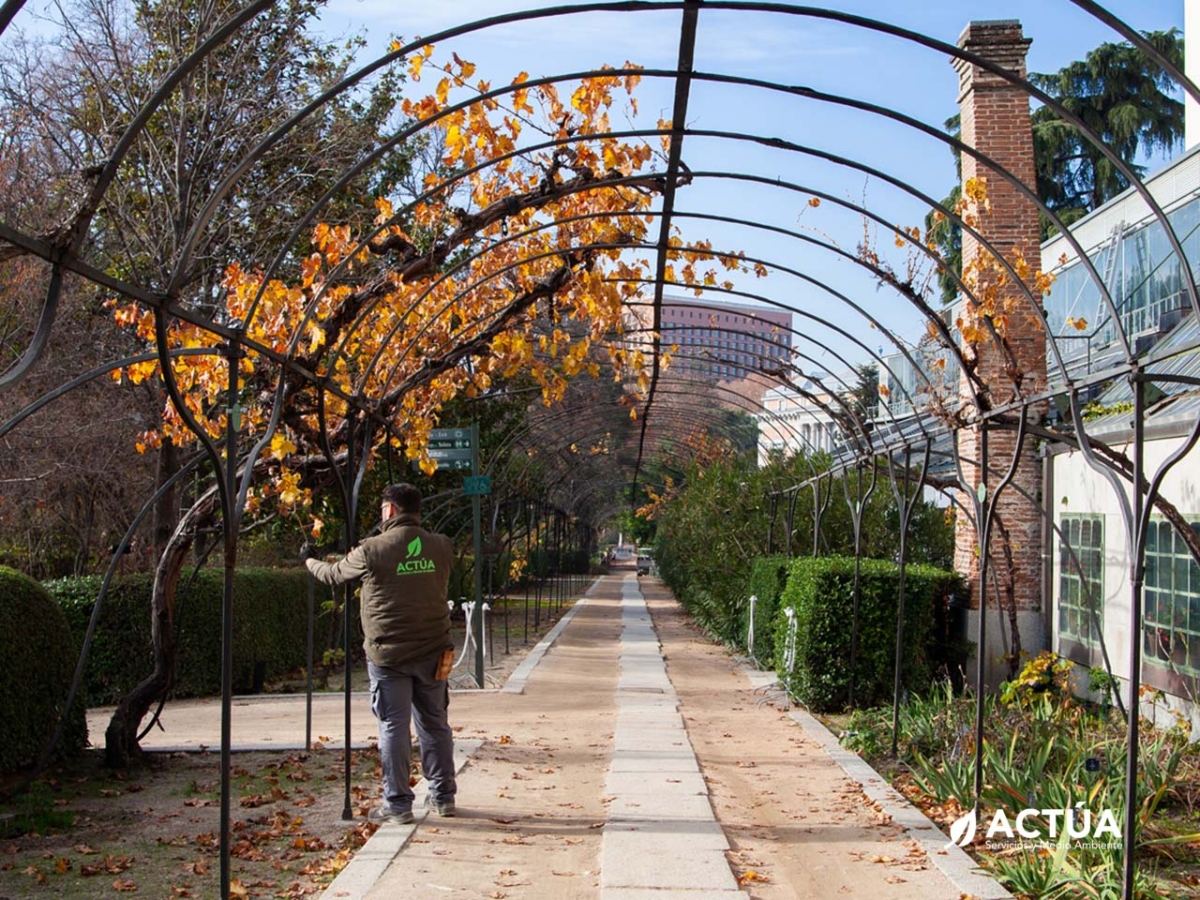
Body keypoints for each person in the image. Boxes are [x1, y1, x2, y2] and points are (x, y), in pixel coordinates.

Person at [304, 483, 457, 824]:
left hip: (389, 656)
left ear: (389, 510)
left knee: (393, 726)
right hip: (434, 651)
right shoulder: (442, 546)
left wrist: (309, 559)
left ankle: (399, 804)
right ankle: (444, 796)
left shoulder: (372, 550)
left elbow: (333, 575)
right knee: (435, 723)